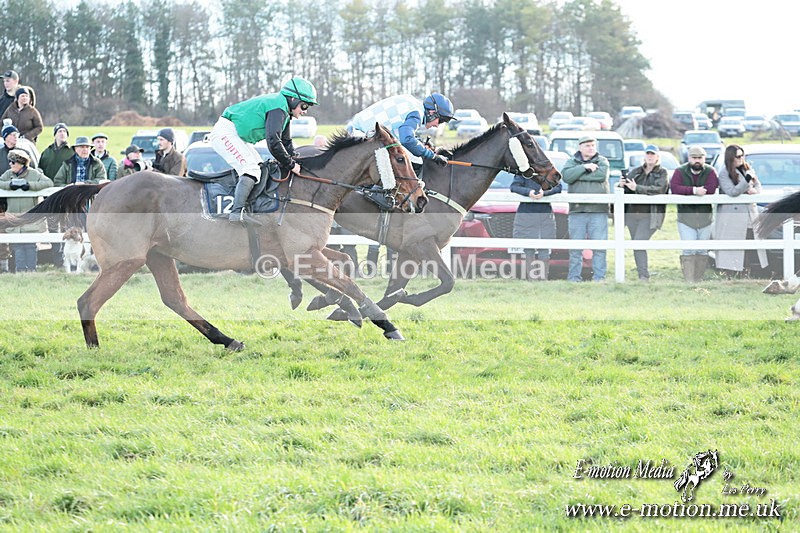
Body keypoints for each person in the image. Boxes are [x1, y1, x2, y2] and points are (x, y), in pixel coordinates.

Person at [209, 76, 318, 225]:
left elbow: (285, 142)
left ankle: (247, 207)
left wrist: (297, 161)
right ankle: (236, 212)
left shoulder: (284, 110)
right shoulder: (278, 108)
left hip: (237, 135)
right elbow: (273, 142)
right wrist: (291, 165)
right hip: (225, 132)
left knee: (260, 167)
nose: (305, 111)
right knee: (251, 169)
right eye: (304, 106)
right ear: (293, 99)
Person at [349, 93, 454, 169]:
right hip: (362, 135)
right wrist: (433, 156)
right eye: (440, 121)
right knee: (416, 161)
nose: (436, 125)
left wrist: (421, 143)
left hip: (356, 129)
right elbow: (407, 140)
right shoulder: (416, 114)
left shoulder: (414, 104)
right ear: (432, 112)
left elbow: (398, 133)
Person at [714, 144, 767, 276]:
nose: (741, 158)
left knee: (750, 242)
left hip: (750, 213)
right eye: (738, 156)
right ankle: (730, 273)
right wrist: (747, 182)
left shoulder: (747, 169)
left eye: (742, 155)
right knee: (734, 244)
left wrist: (754, 191)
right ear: (731, 157)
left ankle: (747, 271)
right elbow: (732, 191)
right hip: (733, 215)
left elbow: (758, 185)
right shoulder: (724, 173)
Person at [562, 135, 610, 282]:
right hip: (577, 210)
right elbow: (567, 177)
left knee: (599, 247)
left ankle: (599, 278)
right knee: (576, 248)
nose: (590, 148)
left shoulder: (602, 161)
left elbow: (601, 176)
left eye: (592, 145)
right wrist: (585, 168)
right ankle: (574, 278)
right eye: (587, 145)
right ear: (580, 147)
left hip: (598, 210)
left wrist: (579, 175)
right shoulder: (571, 161)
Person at [619, 144, 669, 281]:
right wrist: (622, 185)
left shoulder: (662, 173)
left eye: (653, 154)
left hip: (650, 216)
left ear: (658, 156)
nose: (650, 157)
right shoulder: (636, 171)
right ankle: (642, 274)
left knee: (639, 242)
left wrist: (637, 187)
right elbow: (628, 190)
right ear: (644, 156)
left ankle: (643, 275)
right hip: (632, 215)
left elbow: (659, 189)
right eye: (648, 154)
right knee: (636, 245)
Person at [669, 145, 719, 282]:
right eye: (694, 158)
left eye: (700, 158)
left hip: (705, 217)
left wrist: (694, 190)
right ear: (689, 158)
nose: (697, 160)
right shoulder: (680, 171)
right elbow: (674, 188)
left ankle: (699, 278)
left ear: (704, 158)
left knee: (702, 250)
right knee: (688, 249)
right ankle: (689, 280)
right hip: (685, 217)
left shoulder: (710, 171)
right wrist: (694, 191)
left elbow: (712, 187)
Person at [0, 149, 53, 272]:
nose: (10, 164)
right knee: (18, 246)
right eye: (10, 162)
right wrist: (9, 185)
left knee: (30, 246)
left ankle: (32, 272)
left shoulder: (34, 174)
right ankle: (20, 273)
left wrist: (30, 186)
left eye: (13, 162)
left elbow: (48, 183)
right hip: (14, 219)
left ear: (21, 162)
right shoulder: (8, 174)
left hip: (30, 219)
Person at [511, 171, 563, 280]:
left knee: (544, 249)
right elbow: (514, 186)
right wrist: (528, 192)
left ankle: (543, 279)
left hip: (545, 214)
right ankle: (531, 279)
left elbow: (558, 187)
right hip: (526, 213)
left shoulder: (548, 171)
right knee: (528, 249)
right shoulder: (524, 172)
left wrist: (544, 193)